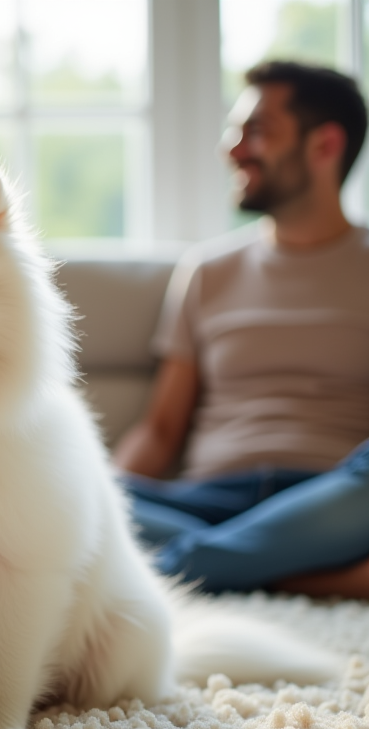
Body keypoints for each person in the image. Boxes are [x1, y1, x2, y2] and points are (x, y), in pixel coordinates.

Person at [114, 60, 369, 597]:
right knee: (71, 492)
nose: (231, 149)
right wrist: (98, 494)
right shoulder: (207, 272)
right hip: (206, 500)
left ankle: (184, 567)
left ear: (324, 146)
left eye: (255, 131)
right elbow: (161, 432)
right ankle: (288, 573)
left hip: (330, 500)